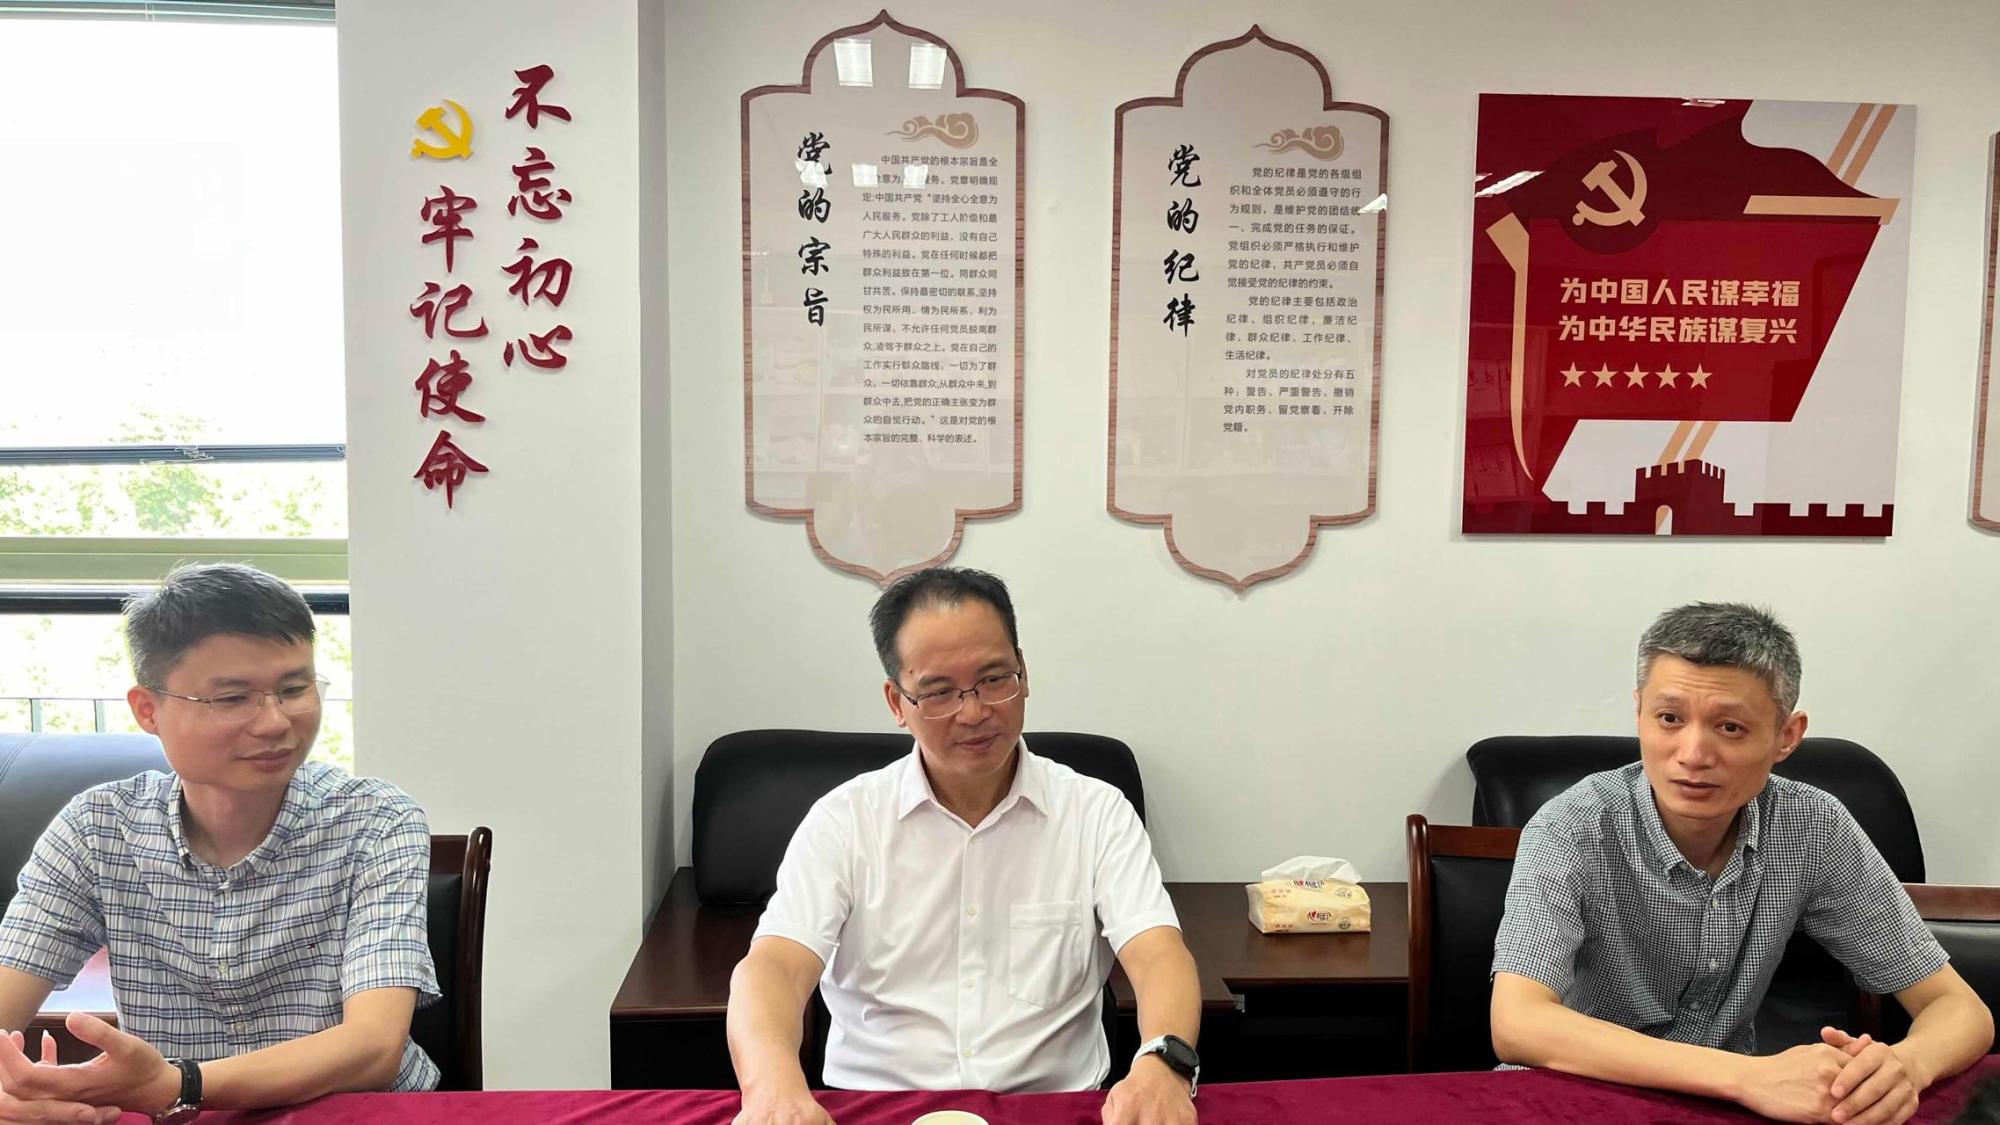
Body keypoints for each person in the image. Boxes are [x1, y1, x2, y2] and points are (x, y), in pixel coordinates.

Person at [727, 568, 1201, 1125]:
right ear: (896, 702)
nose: (973, 712)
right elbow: (775, 967)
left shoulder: (1096, 813)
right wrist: (772, 1088)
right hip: (878, 1108)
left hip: (1050, 1109)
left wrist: (1163, 1064)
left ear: (1024, 673)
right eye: (938, 692)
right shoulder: (844, 821)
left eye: (994, 679)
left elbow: (1158, 954)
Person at [1491, 602, 1992, 1125]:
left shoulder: (1811, 826)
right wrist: (1748, 1077)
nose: (1692, 754)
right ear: (1639, 712)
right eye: (1669, 719)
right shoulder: (1574, 824)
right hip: (1568, 1099)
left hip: (1719, 1107)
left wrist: (1904, 1067)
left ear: (1786, 736)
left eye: (1729, 727)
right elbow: (1517, 1022)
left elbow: (1959, 1009)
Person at [0, 563, 439, 1123]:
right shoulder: (97, 828)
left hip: (357, 1114)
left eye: (294, 689)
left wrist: (177, 1084)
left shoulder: (375, 819)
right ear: (148, 709)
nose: (275, 722)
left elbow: (374, 1047)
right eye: (233, 699)